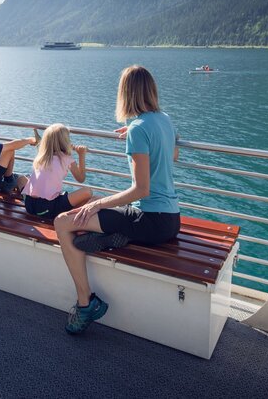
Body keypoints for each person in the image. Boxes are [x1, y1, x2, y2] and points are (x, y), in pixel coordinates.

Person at [54, 65, 180, 334]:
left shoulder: (138, 130)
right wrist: (138, 134)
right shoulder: (165, 120)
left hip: (150, 220)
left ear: (125, 93)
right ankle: (116, 234)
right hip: (171, 219)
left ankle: (85, 302)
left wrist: (99, 204)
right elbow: (173, 154)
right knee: (98, 205)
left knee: (64, 222)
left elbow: (142, 189)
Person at [22, 123, 94, 218]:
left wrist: (36, 133)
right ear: (65, 141)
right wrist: (81, 155)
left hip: (29, 205)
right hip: (47, 209)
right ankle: (73, 217)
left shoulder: (41, 155)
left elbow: (41, 144)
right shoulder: (66, 158)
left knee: (22, 179)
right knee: (87, 192)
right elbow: (81, 179)